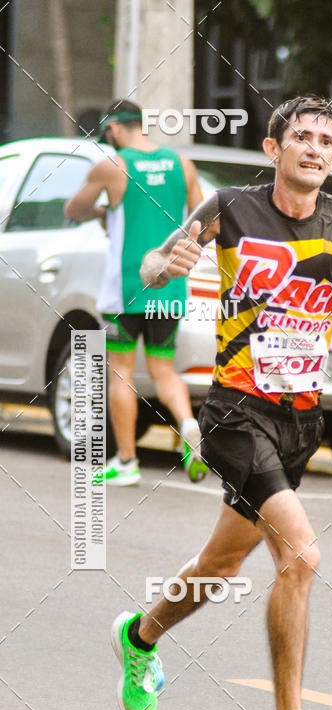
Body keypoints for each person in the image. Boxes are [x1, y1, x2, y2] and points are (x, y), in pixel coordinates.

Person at [110, 95, 332, 710]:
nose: (313, 147)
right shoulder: (229, 207)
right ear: (274, 150)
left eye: (325, 140)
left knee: (220, 566)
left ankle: (140, 635)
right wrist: (169, 266)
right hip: (235, 411)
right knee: (300, 557)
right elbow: (151, 269)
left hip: (299, 421)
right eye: (300, 136)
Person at [65, 99, 208, 485]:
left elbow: (73, 209)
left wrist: (102, 210)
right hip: (170, 285)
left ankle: (127, 462)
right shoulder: (183, 165)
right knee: (163, 369)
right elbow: (203, 222)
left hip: (125, 289)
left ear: (112, 129)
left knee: (121, 373)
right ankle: (188, 423)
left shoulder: (113, 166)